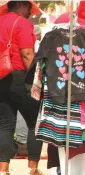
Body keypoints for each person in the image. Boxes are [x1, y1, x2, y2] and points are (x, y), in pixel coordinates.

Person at [0, 1, 43, 174]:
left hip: (2, 77)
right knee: (35, 123)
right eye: (28, 9)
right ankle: (33, 169)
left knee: (5, 125)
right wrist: (36, 80)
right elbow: (27, 54)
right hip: (21, 76)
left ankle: (3, 170)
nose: (30, 13)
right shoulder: (22, 23)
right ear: (20, 5)